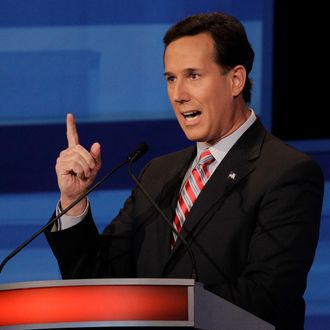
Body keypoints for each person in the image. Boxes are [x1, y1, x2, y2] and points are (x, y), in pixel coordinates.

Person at [45, 12, 324, 329]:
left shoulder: (287, 172)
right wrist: (73, 200)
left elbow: (267, 300)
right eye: (171, 78)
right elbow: (96, 281)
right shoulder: (157, 173)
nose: (178, 95)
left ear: (235, 80)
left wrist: (158, 307)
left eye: (193, 76)